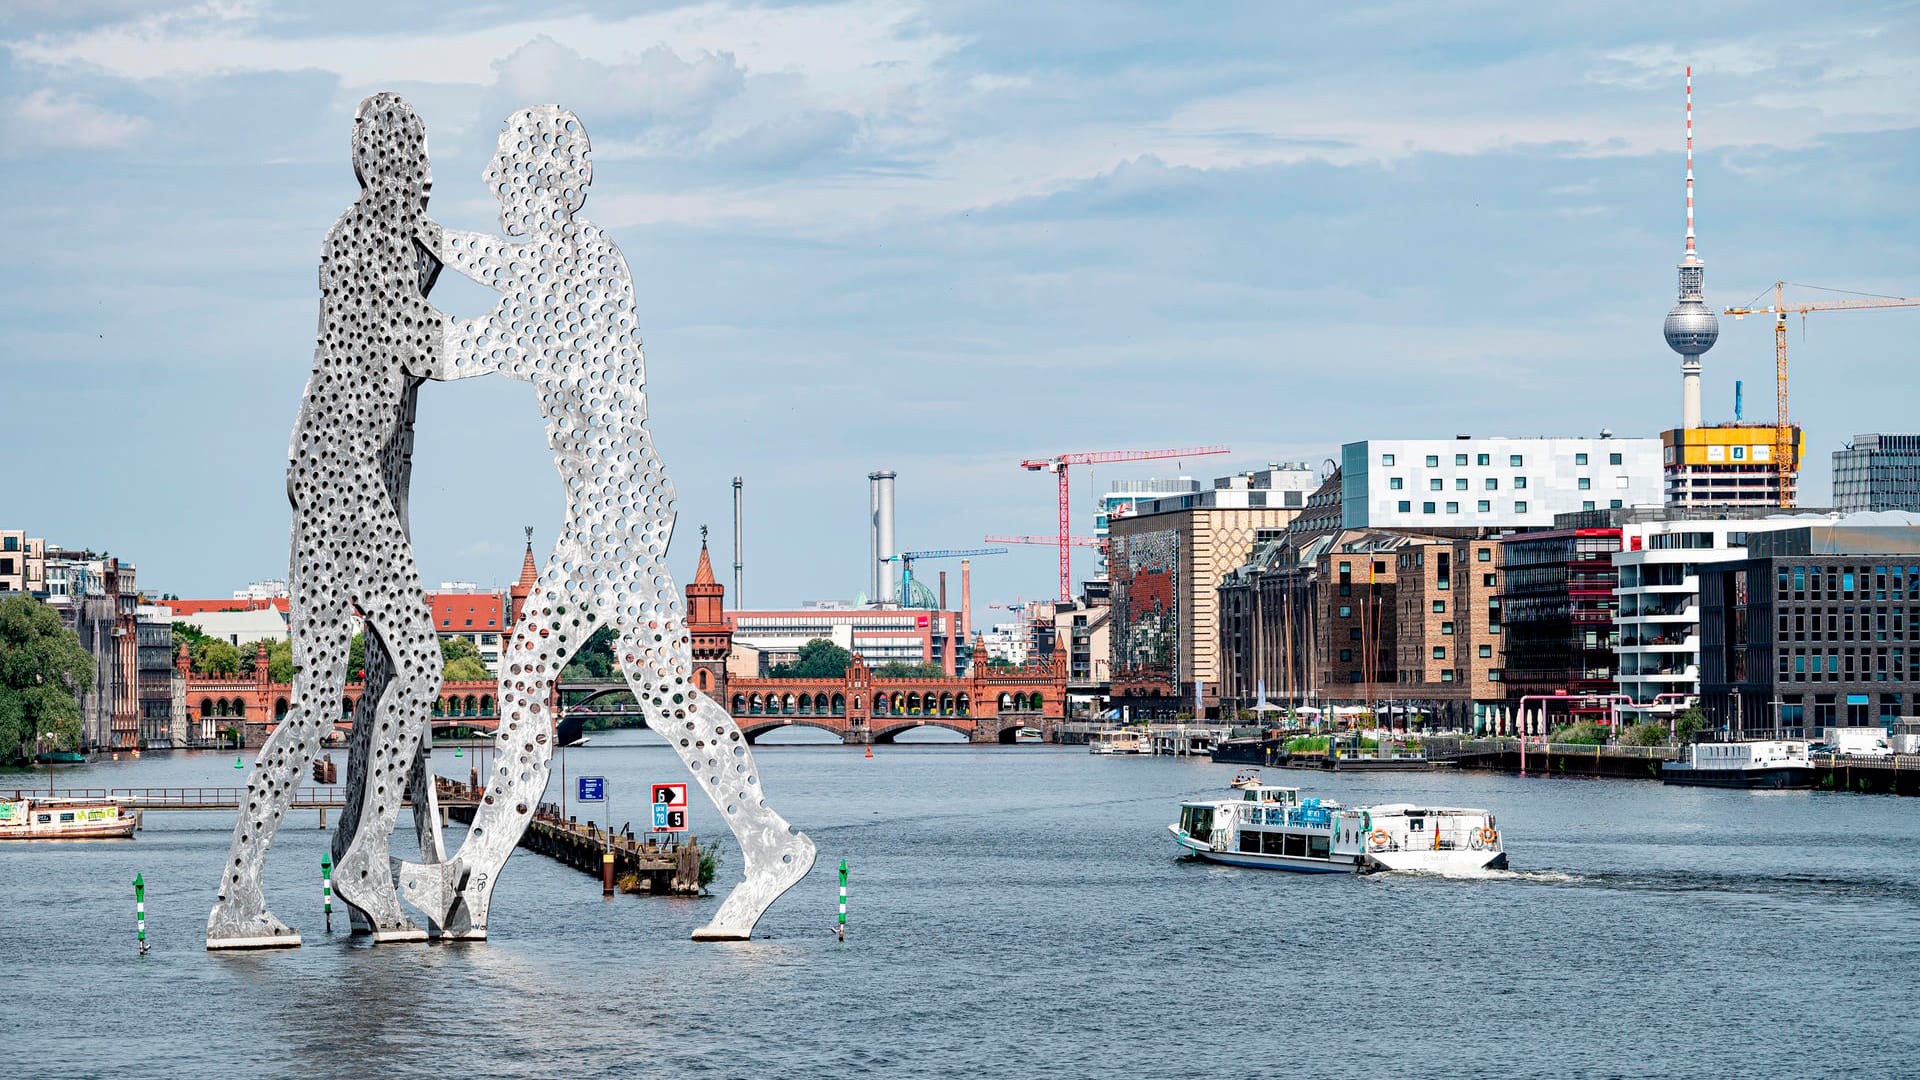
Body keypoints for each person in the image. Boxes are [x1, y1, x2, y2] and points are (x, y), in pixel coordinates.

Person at [395, 106, 814, 940]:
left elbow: (483, 342)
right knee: (637, 692)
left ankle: (765, 846)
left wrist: (395, 313)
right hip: (610, 516)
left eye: (506, 172)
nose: (494, 185)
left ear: (547, 182)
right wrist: (428, 235)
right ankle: (474, 884)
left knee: (572, 687)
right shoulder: (568, 260)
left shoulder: (584, 269)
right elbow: (506, 266)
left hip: (612, 523)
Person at [207, 93, 461, 949]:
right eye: (413, 154)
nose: (425, 171)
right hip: (347, 482)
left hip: (323, 478)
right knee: (419, 671)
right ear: (384, 160)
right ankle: (357, 861)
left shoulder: (354, 238)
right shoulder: (375, 240)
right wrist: (533, 328)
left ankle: (241, 893)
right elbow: (424, 349)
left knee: (318, 695)